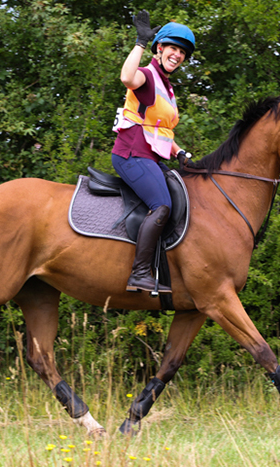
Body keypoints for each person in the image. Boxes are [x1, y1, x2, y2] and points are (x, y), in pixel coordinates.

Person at [111, 10, 195, 294]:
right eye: (173, 48)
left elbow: (159, 130)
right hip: (131, 155)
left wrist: (180, 152)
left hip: (151, 157)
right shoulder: (147, 76)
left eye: (182, 51)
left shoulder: (166, 87)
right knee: (162, 205)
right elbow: (126, 76)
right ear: (160, 48)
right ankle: (140, 273)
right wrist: (139, 42)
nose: (178, 55)